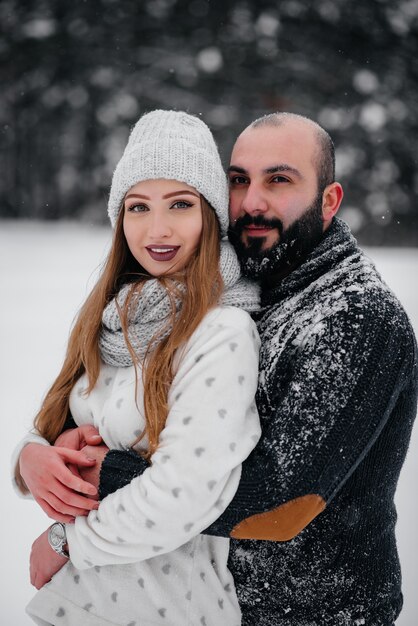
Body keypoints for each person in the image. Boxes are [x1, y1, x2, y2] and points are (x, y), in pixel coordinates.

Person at [47, 112, 417, 626]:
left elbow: (282, 505)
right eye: (239, 180)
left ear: (329, 200)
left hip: (318, 613)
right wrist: (38, 453)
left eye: (279, 179)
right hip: (218, 604)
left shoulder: (356, 316)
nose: (253, 202)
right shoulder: (247, 286)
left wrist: (99, 475)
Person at [12, 109, 262, 626]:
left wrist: (66, 540)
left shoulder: (221, 332)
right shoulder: (113, 317)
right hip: (84, 603)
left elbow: (186, 494)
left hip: (166, 606)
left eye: (180, 204)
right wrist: (29, 460)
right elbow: (53, 423)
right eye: (138, 207)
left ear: (211, 215)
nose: (157, 228)